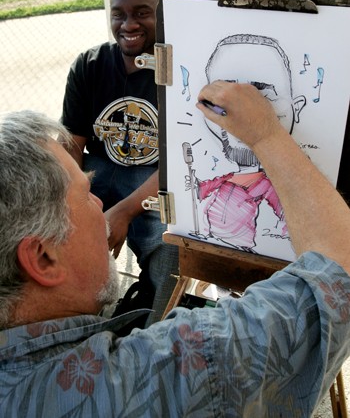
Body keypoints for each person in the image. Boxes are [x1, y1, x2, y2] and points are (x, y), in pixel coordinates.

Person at [1, 79, 350, 417]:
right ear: (44, 258)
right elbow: (339, 272)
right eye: (85, 195)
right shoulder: (166, 373)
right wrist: (266, 135)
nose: (100, 203)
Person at [60, 0, 178, 326]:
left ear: (160, 14)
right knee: (53, 228)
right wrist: (71, 203)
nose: (128, 23)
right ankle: (75, 323)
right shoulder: (89, 65)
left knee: (168, 243)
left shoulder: (176, 70)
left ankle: (151, 324)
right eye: (119, 13)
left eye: (142, 12)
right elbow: (71, 148)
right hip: (97, 168)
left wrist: (124, 212)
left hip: (155, 176)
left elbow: (176, 163)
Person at [185, 34, 306, 252]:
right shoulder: (227, 176)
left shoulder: (275, 185)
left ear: (296, 108)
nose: (240, 114)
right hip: (212, 246)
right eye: (220, 98)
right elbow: (199, 190)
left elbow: (286, 220)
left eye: (262, 97)